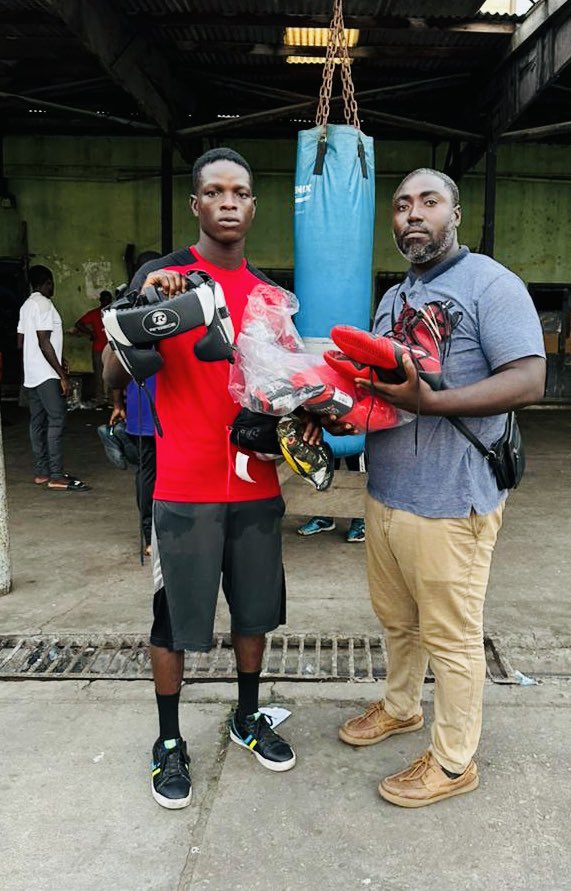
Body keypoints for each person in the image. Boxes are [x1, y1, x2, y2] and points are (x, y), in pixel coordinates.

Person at [104, 147, 318, 810]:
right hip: (184, 485)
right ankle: (169, 740)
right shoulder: (164, 279)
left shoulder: (268, 298)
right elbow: (115, 373)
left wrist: (306, 417)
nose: (229, 202)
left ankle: (246, 717)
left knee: (254, 613)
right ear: (196, 204)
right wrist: (142, 308)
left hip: (255, 484)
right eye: (215, 191)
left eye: (241, 192)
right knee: (173, 621)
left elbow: (286, 388)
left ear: (254, 206)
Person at [335, 168, 546, 808]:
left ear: (455, 213)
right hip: (389, 492)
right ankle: (402, 707)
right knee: (397, 620)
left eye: (429, 202)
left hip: (454, 500)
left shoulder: (491, 283)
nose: (413, 214)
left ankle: (454, 763)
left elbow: (530, 378)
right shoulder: (393, 297)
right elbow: (385, 392)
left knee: (452, 638)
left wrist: (433, 403)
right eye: (402, 206)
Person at [17, 265, 89, 491]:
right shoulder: (45, 304)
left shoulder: (27, 305)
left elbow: (21, 343)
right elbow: (44, 341)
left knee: (37, 422)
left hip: (32, 374)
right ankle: (56, 475)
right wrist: (61, 375)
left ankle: (42, 472)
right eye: (51, 283)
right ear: (47, 282)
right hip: (47, 375)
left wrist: (59, 358)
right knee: (57, 419)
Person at [109, 377, 157, 557]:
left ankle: (150, 538)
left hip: (140, 405)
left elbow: (114, 370)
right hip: (172, 405)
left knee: (146, 471)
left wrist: (117, 404)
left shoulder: (127, 346)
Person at [296, 455, 365, 542]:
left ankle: (361, 520)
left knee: (358, 467)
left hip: (357, 443)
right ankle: (325, 517)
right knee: (326, 466)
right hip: (331, 441)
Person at [73, 290, 113, 405]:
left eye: (108, 299)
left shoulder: (114, 312)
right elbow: (79, 324)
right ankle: (101, 399)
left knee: (112, 375)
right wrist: (91, 333)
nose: (106, 302)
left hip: (111, 349)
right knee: (99, 376)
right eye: (104, 299)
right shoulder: (94, 313)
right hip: (99, 349)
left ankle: (111, 399)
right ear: (101, 300)